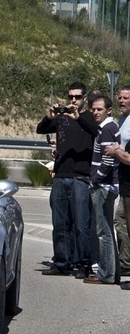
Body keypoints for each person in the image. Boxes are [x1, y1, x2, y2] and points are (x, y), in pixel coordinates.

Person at [36, 82, 98, 278]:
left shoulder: (89, 117)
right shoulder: (62, 119)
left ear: (85, 98)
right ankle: (62, 262)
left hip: (80, 177)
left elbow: (95, 131)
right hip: (61, 176)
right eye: (71, 97)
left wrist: (78, 118)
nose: (73, 101)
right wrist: (49, 116)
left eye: (77, 97)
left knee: (81, 225)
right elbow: (41, 129)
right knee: (60, 223)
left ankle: (84, 264)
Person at [83, 95, 119, 284]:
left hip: (104, 186)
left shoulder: (107, 129)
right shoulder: (107, 128)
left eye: (99, 109)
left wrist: (94, 180)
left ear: (109, 110)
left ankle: (106, 274)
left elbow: (108, 160)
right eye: (93, 109)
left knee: (103, 231)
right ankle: (113, 272)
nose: (95, 112)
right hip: (107, 184)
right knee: (107, 230)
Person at [104, 85, 130, 289]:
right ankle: (125, 264)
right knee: (122, 221)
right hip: (124, 180)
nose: (121, 101)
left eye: (125, 98)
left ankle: (125, 264)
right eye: (119, 97)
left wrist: (116, 151)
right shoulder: (122, 120)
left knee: (121, 220)